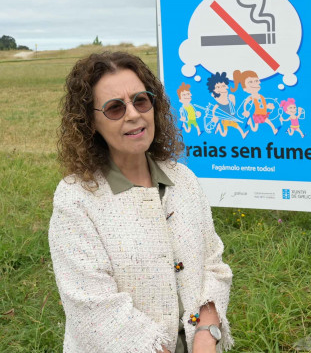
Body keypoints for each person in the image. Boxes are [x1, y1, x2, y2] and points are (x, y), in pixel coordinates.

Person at [49, 51, 233, 352]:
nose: (133, 114)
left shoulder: (184, 178)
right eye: (114, 108)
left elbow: (212, 264)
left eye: (141, 100)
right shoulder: (76, 200)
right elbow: (94, 313)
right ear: (90, 122)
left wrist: (205, 335)